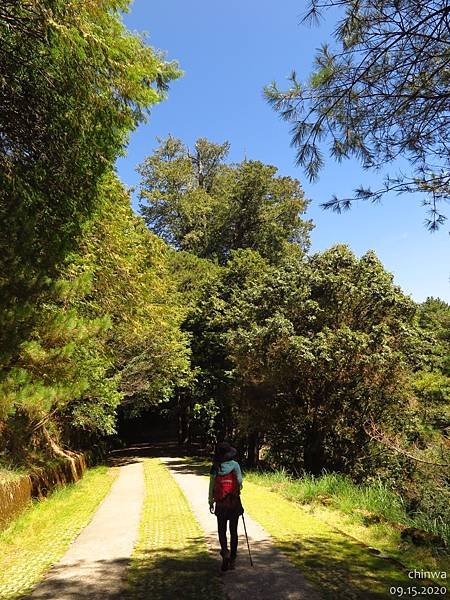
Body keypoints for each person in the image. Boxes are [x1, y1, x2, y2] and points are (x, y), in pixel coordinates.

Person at [208, 441, 244, 571]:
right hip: (234, 502)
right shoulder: (235, 465)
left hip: (221, 504)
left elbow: (211, 486)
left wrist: (211, 501)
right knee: (233, 531)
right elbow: (239, 481)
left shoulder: (215, 467)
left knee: (222, 531)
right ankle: (233, 559)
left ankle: (225, 553)